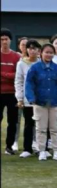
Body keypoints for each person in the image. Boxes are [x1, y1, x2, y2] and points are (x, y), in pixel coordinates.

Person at [25, 43, 57, 161]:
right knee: (41, 128)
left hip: (55, 102)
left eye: (51, 53)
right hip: (39, 102)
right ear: (41, 53)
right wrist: (31, 98)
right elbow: (29, 84)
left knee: (55, 128)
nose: (49, 54)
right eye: (46, 52)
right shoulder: (34, 68)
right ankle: (42, 151)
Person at [14, 39, 41, 158]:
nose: (32, 51)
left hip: (41, 99)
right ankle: (27, 149)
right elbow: (19, 81)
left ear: (38, 50)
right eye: (30, 48)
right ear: (27, 50)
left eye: (34, 48)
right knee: (28, 124)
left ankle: (41, 148)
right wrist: (19, 98)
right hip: (27, 99)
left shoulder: (42, 63)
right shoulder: (21, 64)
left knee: (41, 125)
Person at [1, 28, 21, 156]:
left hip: (12, 94)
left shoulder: (16, 56)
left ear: (10, 40)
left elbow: (18, 75)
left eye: (6, 39)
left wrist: (3, 74)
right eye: (2, 39)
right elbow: (12, 75)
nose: (4, 42)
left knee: (12, 122)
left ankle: (9, 146)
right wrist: (9, 75)